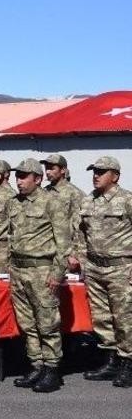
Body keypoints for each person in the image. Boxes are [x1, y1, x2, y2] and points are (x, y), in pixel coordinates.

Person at [8, 158, 72, 393]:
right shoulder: (14, 203)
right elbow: (11, 236)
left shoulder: (51, 203)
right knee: (27, 322)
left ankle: (52, 369)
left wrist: (57, 273)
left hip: (42, 270)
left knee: (47, 322)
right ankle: (36, 365)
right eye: (18, 176)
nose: (19, 181)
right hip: (19, 269)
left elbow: (63, 243)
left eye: (24, 177)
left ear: (38, 179)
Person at [76, 157, 132, 387]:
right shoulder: (89, 201)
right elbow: (80, 232)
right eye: (94, 171)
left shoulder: (127, 200)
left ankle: (127, 363)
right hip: (94, 267)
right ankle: (110, 360)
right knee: (101, 317)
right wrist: (81, 260)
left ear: (115, 176)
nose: (95, 175)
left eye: (101, 172)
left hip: (121, 267)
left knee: (124, 318)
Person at [43, 154, 87, 268]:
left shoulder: (75, 194)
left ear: (63, 170)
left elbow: (80, 227)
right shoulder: (43, 192)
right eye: (46, 168)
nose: (47, 172)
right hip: (44, 252)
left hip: (64, 253)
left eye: (52, 168)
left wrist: (75, 254)